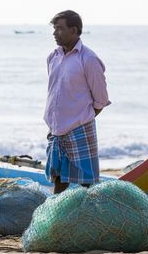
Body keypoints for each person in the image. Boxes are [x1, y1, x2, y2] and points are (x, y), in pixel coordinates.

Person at [43, 10, 110, 194]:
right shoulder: (52, 57)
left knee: (86, 181)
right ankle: (56, 215)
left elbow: (101, 99)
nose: (55, 33)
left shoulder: (88, 59)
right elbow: (56, 91)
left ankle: (91, 216)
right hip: (56, 129)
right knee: (58, 177)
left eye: (59, 29)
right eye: (54, 29)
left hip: (80, 127)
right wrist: (55, 122)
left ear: (74, 30)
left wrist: (81, 119)